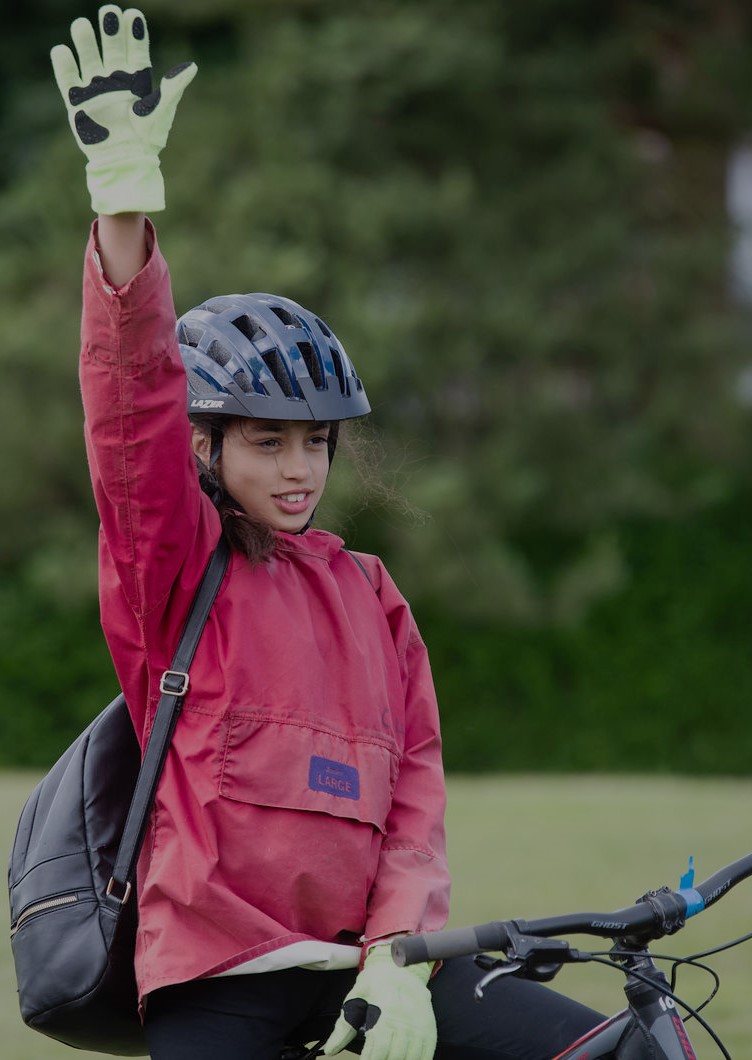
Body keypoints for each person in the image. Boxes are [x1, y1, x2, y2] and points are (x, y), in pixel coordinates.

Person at [50, 7, 606, 1059]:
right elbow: (131, 405)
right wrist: (122, 202)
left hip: (370, 965)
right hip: (220, 976)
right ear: (206, 448)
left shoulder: (372, 592)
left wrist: (397, 953)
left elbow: (415, 793)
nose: (300, 468)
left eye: (316, 443)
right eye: (267, 442)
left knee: (622, 1044)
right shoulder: (174, 566)